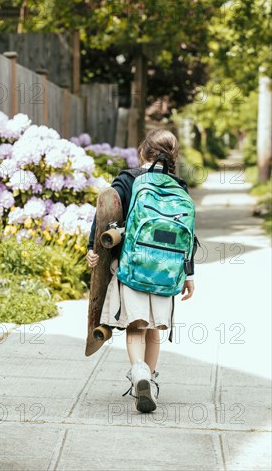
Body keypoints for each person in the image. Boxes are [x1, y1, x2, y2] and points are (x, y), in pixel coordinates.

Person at [86, 128, 198, 413]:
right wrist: (189, 274)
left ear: (143, 151)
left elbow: (105, 213)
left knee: (135, 327)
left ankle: (139, 373)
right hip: (167, 271)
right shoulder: (179, 186)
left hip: (133, 267)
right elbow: (188, 235)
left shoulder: (129, 179)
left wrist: (93, 248)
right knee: (153, 330)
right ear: (174, 156)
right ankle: (150, 376)